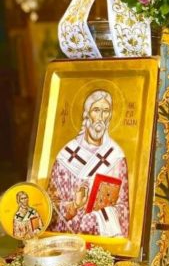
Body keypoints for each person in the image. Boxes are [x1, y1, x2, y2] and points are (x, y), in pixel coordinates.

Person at [47, 90, 129, 237]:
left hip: (102, 239)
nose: (101, 117)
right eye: (96, 110)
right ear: (86, 114)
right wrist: (74, 205)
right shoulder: (66, 155)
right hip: (67, 239)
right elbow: (50, 205)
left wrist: (94, 219)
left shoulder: (116, 156)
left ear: (110, 116)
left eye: (106, 111)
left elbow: (124, 207)